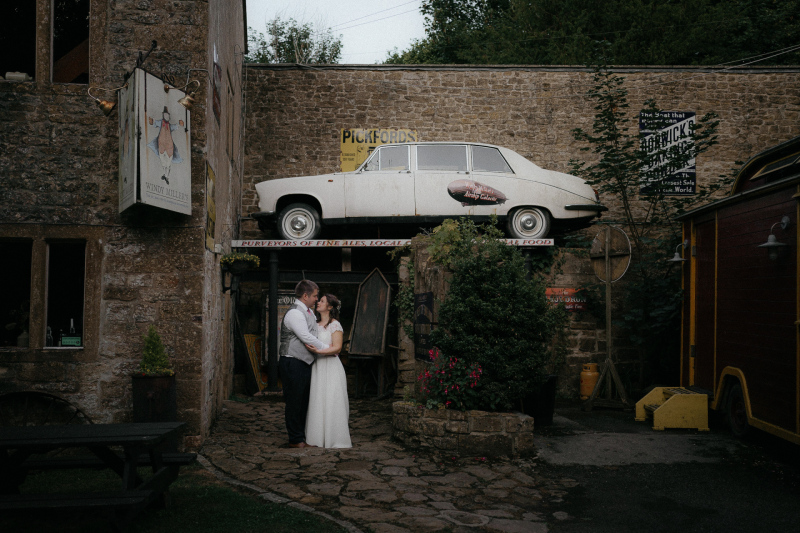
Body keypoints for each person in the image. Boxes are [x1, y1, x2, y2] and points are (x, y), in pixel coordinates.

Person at [278, 280, 329, 448]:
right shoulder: (295, 313)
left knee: (303, 401)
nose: (316, 299)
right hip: (292, 361)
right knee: (294, 401)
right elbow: (306, 337)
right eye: (315, 296)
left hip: (303, 362)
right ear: (305, 295)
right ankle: (295, 439)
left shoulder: (307, 312)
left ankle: (301, 437)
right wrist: (329, 349)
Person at [304, 293, 352, 448]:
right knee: (318, 399)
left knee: (332, 400)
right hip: (317, 366)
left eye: (322, 301)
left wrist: (318, 352)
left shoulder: (335, 325)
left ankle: (335, 438)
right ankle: (316, 437)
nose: (318, 302)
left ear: (330, 307)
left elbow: (337, 347)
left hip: (331, 366)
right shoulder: (313, 324)